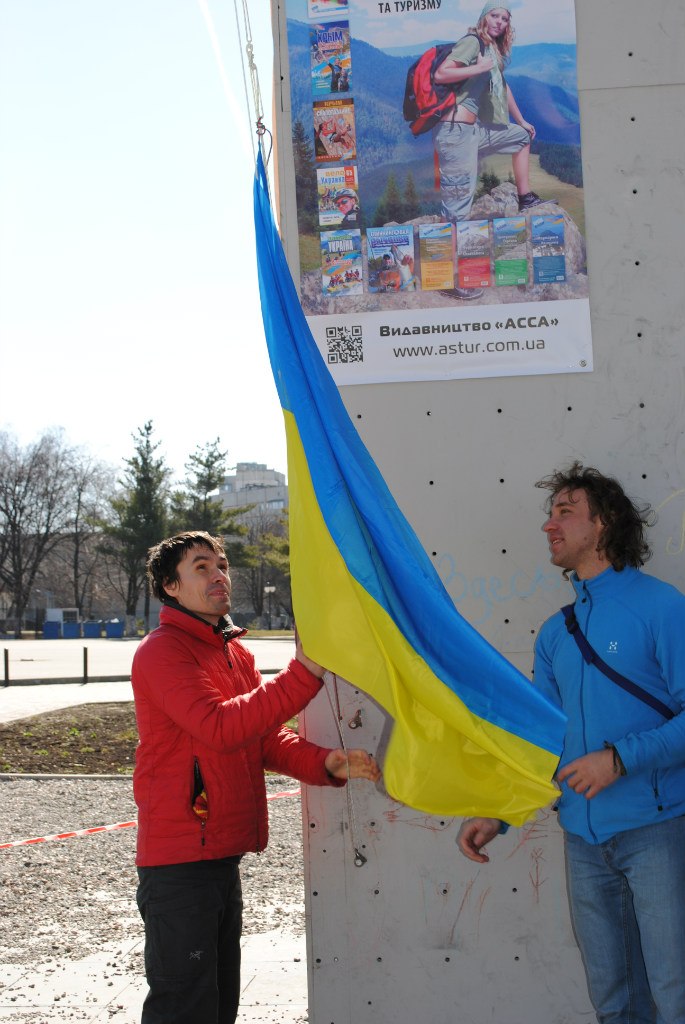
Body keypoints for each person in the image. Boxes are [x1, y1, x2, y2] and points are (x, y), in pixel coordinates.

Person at [457, 463, 685, 1024]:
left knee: (676, 991)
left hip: (657, 831)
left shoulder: (662, 606)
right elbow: (542, 741)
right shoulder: (556, 632)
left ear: (602, 525)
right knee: (613, 1000)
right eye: (550, 513)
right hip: (582, 840)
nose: (549, 526)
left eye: (565, 512)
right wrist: (501, 813)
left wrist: (620, 759)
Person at [132, 530, 380, 1024]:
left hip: (220, 855)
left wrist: (323, 763)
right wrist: (304, 672)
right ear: (170, 587)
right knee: (185, 1007)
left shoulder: (232, 652)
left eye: (221, 565)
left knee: (220, 1004)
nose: (219, 575)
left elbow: (260, 737)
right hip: (179, 864)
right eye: (201, 567)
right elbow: (220, 727)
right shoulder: (163, 652)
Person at [433, 3, 544, 299]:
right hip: (455, 132)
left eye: (505, 18)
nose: (499, 22)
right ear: (484, 17)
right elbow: (442, 74)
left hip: (474, 131)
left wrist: (521, 120)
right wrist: (478, 67)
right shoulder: (473, 43)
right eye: (495, 15)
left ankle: (525, 197)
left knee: (520, 137)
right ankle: (447, 279)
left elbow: (503, 87)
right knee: (457, 207)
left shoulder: (493, 50)